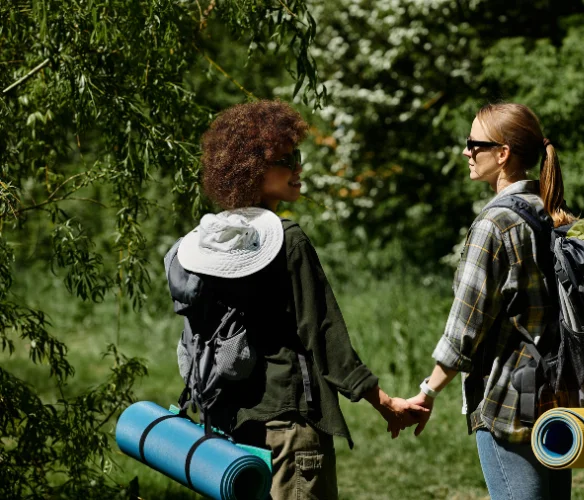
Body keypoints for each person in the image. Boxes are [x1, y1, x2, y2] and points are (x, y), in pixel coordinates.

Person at [167, 100, 426, 500]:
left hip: (228, 428)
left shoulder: (212, 245)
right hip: (289, 426)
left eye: (297, 156)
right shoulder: (287, 241)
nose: (298, 168)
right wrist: (383, 401)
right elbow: (322, 331)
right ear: (251, 167)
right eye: (286, 160)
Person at [407, 103, 574, 499]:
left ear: (502, 154)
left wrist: (427, 392)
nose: (466, 151)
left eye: (473, 143)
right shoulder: (553, 214)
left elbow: (465, 327)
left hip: (510, 401)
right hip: (560, 395)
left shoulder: (495, 224)